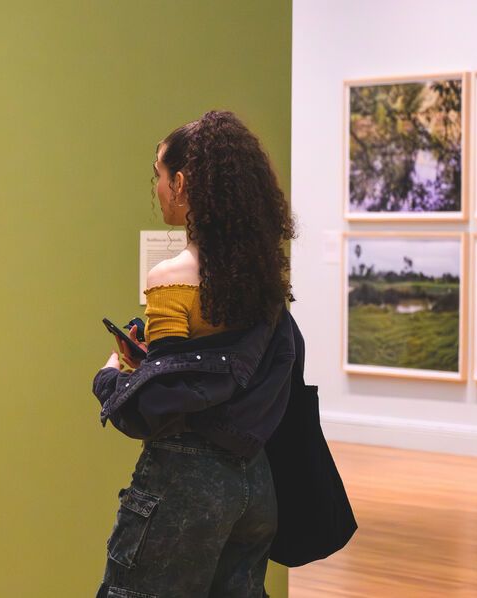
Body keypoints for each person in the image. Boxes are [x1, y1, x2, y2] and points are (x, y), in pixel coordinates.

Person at [91, 111, 296, 597]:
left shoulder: (171, 278)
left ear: (181, 184)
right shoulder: (264, 281)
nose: (156, 188)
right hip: (254, 482)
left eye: (158, 175)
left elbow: (165, 402)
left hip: (184, 481)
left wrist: (111, 379)